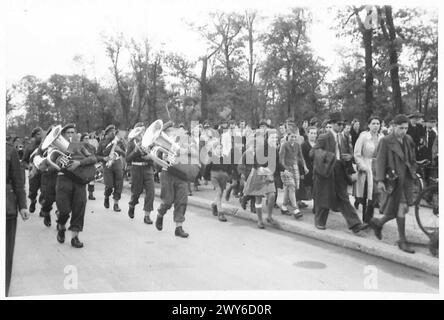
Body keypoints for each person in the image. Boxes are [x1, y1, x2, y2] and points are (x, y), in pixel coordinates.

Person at [310, 112, 368, 233]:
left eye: (342, 124)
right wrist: (329, 156)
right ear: (331, 124)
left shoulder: (344, 137)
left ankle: (355, 224)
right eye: (338, 124)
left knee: (343, 197)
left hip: (340, 169)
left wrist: (349, 157)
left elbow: (346, 153)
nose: (341, 126)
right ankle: (319, 221)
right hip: (326, 170)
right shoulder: (324, 137)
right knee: (325, 196)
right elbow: (312, 152)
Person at [369, 114, 418, 253]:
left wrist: (414, 168)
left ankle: (378, 223)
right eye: (401, 128)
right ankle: (402, 241)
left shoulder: (408, 139)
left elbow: (412, 157)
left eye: (406, 128)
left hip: (406, 180)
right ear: (394, 127)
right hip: (394, 180)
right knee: (401, 208)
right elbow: (380, 161)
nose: (404, 131)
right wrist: (380, 180)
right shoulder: (386, 141)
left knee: (396, 210)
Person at [55, 123, 97, 248]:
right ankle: (61, 227)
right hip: (63, 180)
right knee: (64, 210)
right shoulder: (55, 148)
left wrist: (79, 162)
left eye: (73, 132)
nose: (71, 135)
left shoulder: (81, 146)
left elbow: (93, 158)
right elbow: (50, 163)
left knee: (79, 209)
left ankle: (75, 237)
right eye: (68, 132)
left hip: (79, 181)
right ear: (62, 135)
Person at [155, 121, 200, 238]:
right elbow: (157, 157)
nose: (168, 134)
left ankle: (178, 227)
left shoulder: (187, 140)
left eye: (169, 131)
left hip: (182, 173)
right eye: (165, 133)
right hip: (167, 173)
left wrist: (184, 151)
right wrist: (163, 155)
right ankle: (160, 213)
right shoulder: (160, 142)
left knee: (182, 201)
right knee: (168, 201)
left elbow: (196, 153)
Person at [238, 129, 278, 229]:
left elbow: (277, 163)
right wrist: (263, 170)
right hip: (258, 173)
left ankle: (269, 216)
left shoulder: (274, 149)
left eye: (276, 137)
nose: (275, 139)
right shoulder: (260, 148)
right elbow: (256, 163)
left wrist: (284, 169)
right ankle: (260, 220)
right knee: (258, 198)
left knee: (272, 195)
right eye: (272, 137)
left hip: (268, 173)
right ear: (267, 138)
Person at [6, 140, 30, 296]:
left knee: (5, 256)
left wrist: (22, 205)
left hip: (6, 208)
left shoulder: (9, 150)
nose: (70, 135)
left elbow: (17, 180)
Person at [353, 116, 384, 223]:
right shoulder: (364, 137)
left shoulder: (382, 137)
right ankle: (365, 219)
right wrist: (362, 166)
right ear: (369, 125)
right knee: (366, 194)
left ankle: (370, 218)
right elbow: (357, 153)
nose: (376, 126)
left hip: (378, 168)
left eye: (378, 124)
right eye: (373, 123)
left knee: (375, 194)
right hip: (367, 166)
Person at [126, 123, 155, 224]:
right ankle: (132, 205)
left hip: (148, 168)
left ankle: (147, 215)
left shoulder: (149, 142)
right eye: (139, 131)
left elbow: (154, 156)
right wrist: (135, 151)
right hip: (136, 168)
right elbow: (127, 159)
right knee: (137, 192)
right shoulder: (131, 143)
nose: (141, 133)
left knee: (151, 191)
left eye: (143, 131)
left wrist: (150, 157)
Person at [96, 125, 126, 212]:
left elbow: (125, 153)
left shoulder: (119, 141)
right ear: (107, 133)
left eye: (114, 132)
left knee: (119, 184)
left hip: (117, 163)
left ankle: (116, 204)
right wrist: (103, 158)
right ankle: (106, 196)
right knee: (109, 185)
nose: (113, 134)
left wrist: (119, 150)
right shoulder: (102, 143)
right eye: (111, 132)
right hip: (107, 164)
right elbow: (97, 155)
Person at [279, 129, 308, 219]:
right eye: (292, 136)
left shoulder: (297, 145)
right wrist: (284, 169)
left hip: (295, 167)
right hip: (286, 169)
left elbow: (301, 157)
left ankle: (284, 207)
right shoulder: (284, 145)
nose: (293, 138)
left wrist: (305, 167)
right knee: (291, 187)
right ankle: (295, 209)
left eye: (295, 137)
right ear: (288, 137)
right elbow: (281, 159)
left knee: (290, 188)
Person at [206, 141, 233, 222]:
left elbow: (229, 167)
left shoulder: (225, 157)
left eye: (221, 148)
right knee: (219, 191)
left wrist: (229, 175)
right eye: (218, 148)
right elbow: (207, 169)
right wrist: (206, 177)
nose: (220, 150)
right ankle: (220, 212)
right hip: (214, 177)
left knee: (220, 194)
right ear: (214, 149)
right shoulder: (212, 158)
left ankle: (214, 204)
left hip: (223, 178)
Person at [22, 127, 44, 214]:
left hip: (44, 173)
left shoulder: (46, 147)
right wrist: (29, 166)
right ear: (34, 136)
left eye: (42, 134)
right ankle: (33, 201)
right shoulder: (29, 148)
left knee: (45, 192)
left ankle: (43, 208)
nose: (40, 136)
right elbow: (23, 161)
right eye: (38, 134)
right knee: (32, 192)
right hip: (33, 174)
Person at [301, 126, 318, 213]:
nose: (313, 135)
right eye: (311, 133)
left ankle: (316, 206)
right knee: (307, 187)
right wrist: (304, 168)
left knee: (316, 187)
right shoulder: (304, 145)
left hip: (317, 168)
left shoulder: (318, 144)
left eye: (315, 133)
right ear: (308, 134)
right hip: (307, 168)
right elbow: (301, 157)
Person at [80, 133, 97, 200]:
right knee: (81, 180)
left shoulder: (92, 147)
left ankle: (91, 194)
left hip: (90, 166)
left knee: (91, 181)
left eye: (88, 138)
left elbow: (93, 156)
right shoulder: (78, 146)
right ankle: (81, 194)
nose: (87, 140)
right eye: (85, 138)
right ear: (82, 139)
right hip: (82, 166)